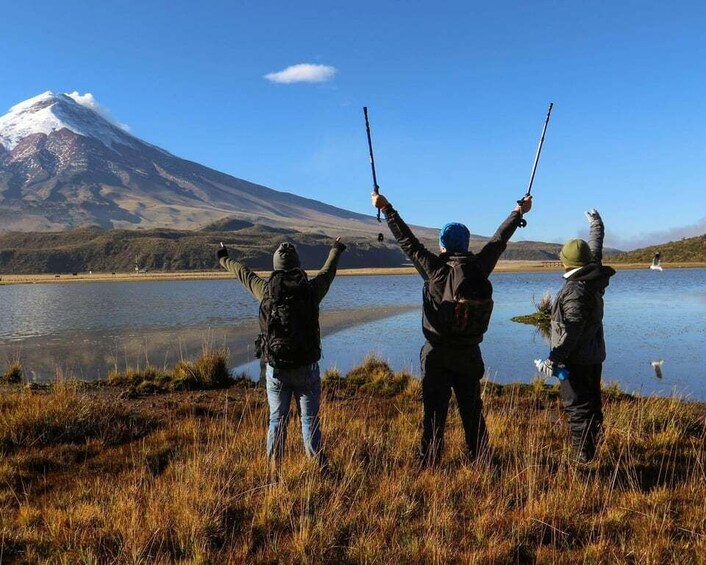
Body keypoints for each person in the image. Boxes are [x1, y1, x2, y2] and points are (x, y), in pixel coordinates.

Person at [372, 191, 532, 466]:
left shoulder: (434, 269)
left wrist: (386, 208)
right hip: (469, 353)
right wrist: (518, 213)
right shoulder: (479, 267)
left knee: (434, 412)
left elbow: (407, 242)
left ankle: (430, 461)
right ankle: (481, 459)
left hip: (436, 354)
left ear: (443, 244)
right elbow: (498, 240)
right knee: (472, 410)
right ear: (466, 244)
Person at [217, 238, 346, 465]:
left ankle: (274, 473)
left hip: (276, 368)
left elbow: (242, 273)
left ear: (276, 266)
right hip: (306, 368)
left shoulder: (266, 291)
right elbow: (328, 272)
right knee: (309, 420)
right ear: (297, 265)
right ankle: (318, 469)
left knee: (277, 420)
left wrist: (223, 258)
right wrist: (336, 249)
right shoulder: (311, 291)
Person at [535, 209, 615, 463]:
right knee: (590, 401)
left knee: (576, 405)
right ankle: (592, 446)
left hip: (577, 360)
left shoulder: (576, 291)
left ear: (565, 262)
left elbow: (572, 329)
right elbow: (595, 248)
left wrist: (554, 359)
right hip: (592, 355)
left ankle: (583, 456)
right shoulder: (593, 276)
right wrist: (596, 225)